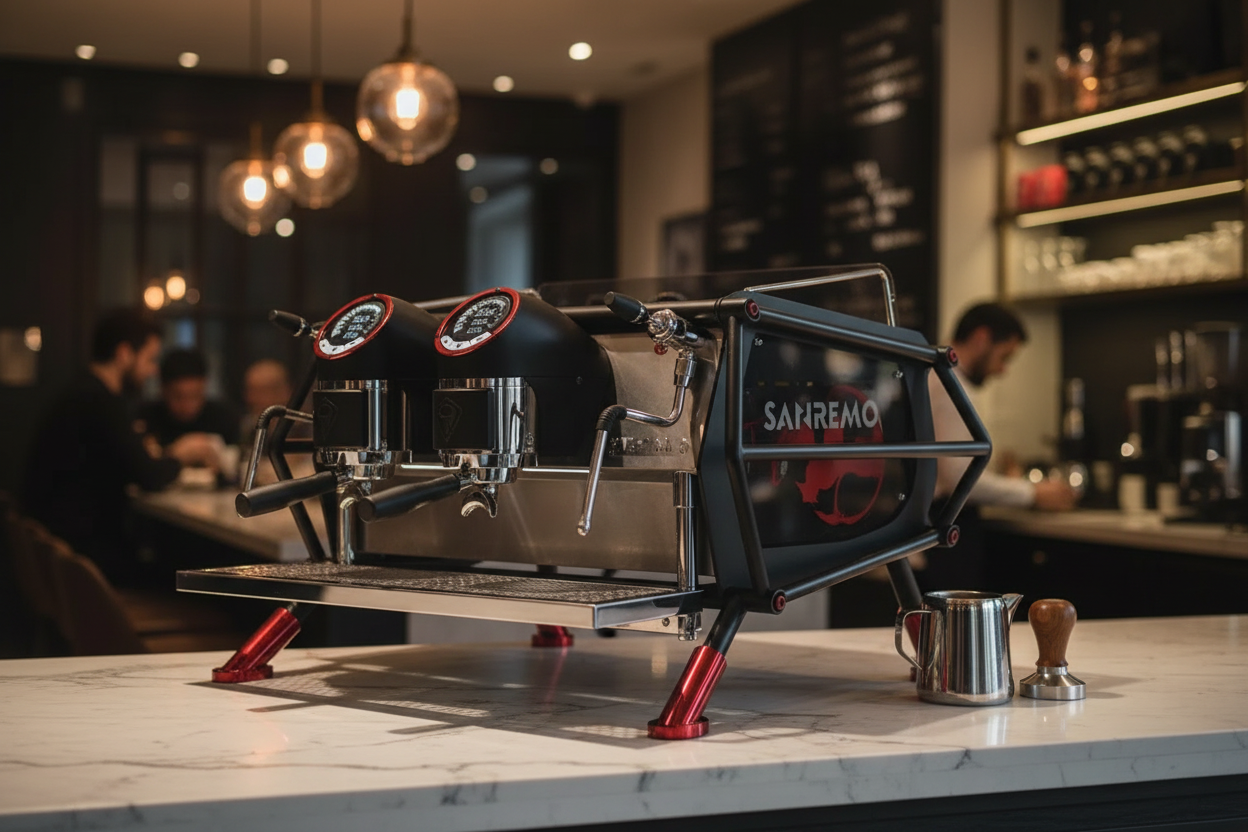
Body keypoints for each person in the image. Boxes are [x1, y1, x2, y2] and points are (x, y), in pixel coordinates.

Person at [21, 309, 220, 586]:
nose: (152, 371)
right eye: (149, 359)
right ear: (125, 353)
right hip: (88, 563)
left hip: (67, 552)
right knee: (194, 582)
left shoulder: (80, 392)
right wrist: (179, 454)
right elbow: (149, 475)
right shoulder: (100, 402)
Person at [921, 302, 1075, 590]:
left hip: (939, 526)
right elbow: (959, 480)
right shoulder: (948, 382)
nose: (1003, 370)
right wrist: (1033, 493)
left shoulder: (940, 376)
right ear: (982, 338)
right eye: (1004, 356)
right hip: (944, 529)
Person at [138, 349, 239, 448]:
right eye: (178, 397)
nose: (187, 405)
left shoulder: (224, 419)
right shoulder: (144, 420)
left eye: (195, 396)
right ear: (163, 390)